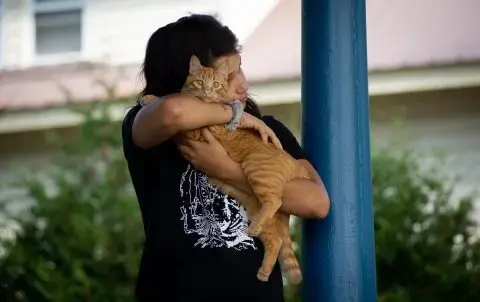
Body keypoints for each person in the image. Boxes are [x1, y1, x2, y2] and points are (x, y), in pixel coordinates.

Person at [122, 14, 330, 302]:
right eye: (229, 76)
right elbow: (175, 113)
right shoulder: (149, 125)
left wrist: (227, 170)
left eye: (240, 69)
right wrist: (235, 114)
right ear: (188, 76)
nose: (242, 85)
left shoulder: (268, 131)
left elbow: (316, 202)